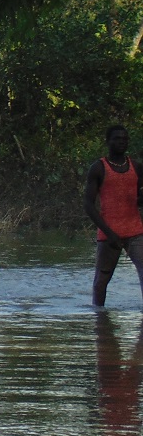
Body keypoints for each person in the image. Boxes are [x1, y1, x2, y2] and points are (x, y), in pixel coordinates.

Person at [84, 125, 143, 307]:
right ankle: (99, 319)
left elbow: (139, 199)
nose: (121, 142)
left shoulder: (137, 167)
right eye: (117, 139)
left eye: (124, 139)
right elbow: (88, 204)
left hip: (136, 231)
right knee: (102, 281)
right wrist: (109, 233)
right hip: (109, 233)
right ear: (107, 141)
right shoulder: (98, 168)